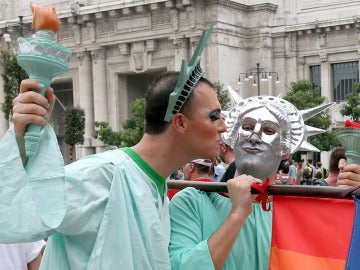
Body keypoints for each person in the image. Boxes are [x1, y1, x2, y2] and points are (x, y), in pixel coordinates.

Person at [0, 23, 226, 269]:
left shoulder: (157, 190)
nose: (223, 127)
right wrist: (22, 141)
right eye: (214, 117)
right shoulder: (102, 177)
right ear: (180, 122)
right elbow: (14, 214)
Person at [169, 95, 333, 270]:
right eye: (247, 127)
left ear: (286, 150)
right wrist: (237, 215)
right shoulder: (191, 201)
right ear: (233, 138)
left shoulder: (300, 212)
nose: (254, 137)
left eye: (269, 131)